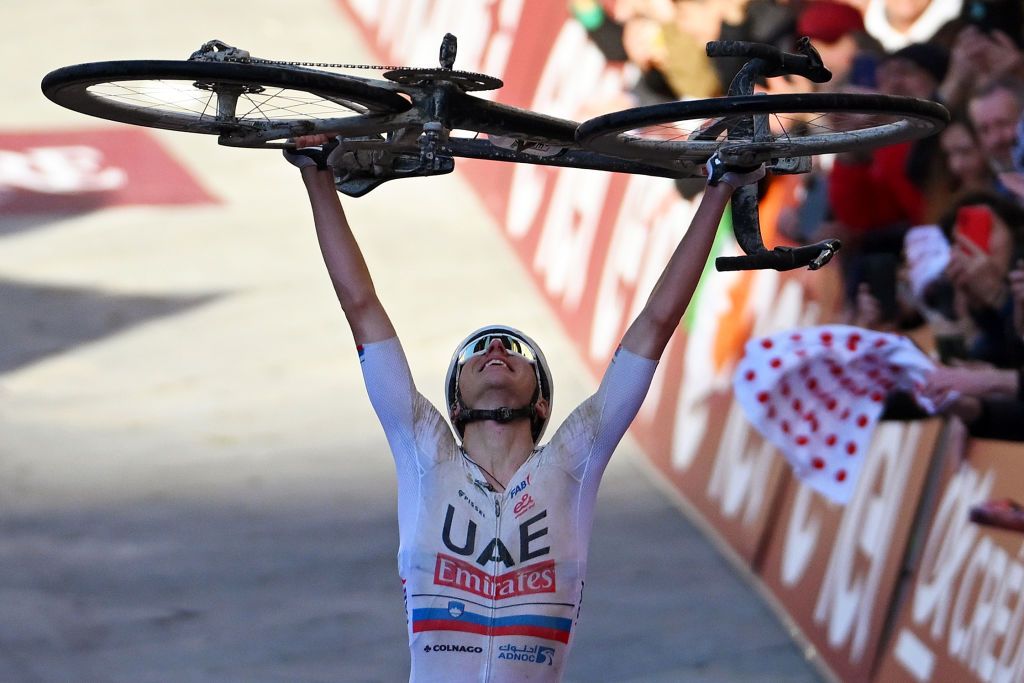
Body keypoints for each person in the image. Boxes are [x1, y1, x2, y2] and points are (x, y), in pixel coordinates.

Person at [283, 136, 764, 682]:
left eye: (513, 351)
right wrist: (316, 175)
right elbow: (361, 308)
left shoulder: (574, 459)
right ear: (457, 400)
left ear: (539, 399)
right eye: (479, 350)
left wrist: (719, 191)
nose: (494, 350)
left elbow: (654, 327)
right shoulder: (420, 447)